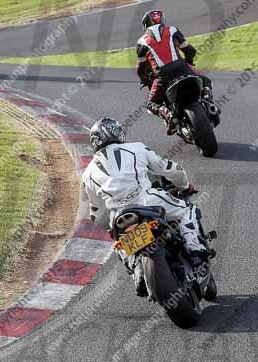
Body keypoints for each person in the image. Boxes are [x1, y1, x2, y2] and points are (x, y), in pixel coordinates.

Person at [82, 117, 211, 292]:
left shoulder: (87, 173)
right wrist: (185, 185)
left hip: (119, 216)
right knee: (187, 210)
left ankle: (137, 269)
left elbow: (96, 213)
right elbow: (168, 168)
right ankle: (197, 254)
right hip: (148, 201)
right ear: (115, 132)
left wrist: (107, 224)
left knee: (117, 240)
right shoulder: (136, 148)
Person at [136, 9, 217, 134]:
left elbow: (141, 68)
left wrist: (144, 80)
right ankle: (209, 102)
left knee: (151, 104)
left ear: (145, 25)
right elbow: (190, 51)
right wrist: (188, 62)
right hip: (182, 68)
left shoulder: (141, 42)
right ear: (163, 19)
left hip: (162, 77)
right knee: (206, 80)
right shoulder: (173, 30)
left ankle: (168, 115)